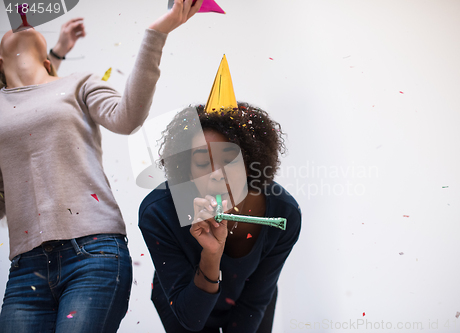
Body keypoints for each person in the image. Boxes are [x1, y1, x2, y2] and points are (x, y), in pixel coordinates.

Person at [0, 0, 204, 331]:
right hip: (26, 269)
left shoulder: (77, 83)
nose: (24, 24)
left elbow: (127, 118)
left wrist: (156, 33)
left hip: (93, 254)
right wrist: (58, 51)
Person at [139, 103, 302, 332]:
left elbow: (253, 302)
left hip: (248, 302)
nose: (216, 174)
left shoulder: (283, 214)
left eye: (229, 160)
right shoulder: (159, 213)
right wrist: (212, 254)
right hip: (185, 299)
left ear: (249, 163)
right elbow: (191, 318)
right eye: (203, 162)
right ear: (187, 171)